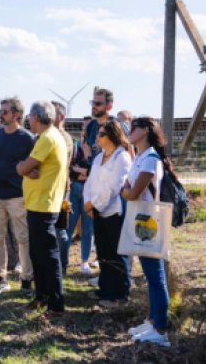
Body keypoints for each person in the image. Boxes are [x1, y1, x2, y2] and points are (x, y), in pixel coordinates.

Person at [120, 117, 172, 347]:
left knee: (155, 275)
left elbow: (132, 193)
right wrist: (127, 190)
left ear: (146, 131)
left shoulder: (150, 159)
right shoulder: (140, 157)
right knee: (151, 275)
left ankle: (161, 328)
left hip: (148, 220)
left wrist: (126, 191)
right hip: (140, 218)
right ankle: (152, 321)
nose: (130, 131)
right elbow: (128, 189)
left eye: (135, 128)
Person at [16, 101, 68, 317]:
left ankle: (56, 304)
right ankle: (42, 296)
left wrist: (24, 167)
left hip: (44, 205)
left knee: (48, 255)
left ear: (36, 117)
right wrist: (29, 169)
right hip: (38, 203)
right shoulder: (47, 136)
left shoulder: (47, 137)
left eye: (29, 116)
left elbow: (24, 167)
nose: (28, 120)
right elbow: (31, 168)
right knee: (38, 254)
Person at [0, 97, 35, 295]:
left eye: (5, 111)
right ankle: (0, 277)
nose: (1, 114)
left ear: (16, 114)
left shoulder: (27, 138)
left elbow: (33, 166)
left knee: (22, 238)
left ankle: (26, 278)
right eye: (0, 110)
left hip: (18, 195)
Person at [84, 120, 133, 306]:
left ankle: (119, 294)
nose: (97, 137)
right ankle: (105, 289)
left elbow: (114, 187)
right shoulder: (99, 157)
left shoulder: (122, 157)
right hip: (96, 211)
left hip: (113, 212)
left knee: (116, 253)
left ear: (112, 137)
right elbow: (90, 182)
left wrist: (95, 205)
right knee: (103, 251)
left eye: (101, 134)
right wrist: (88, 203)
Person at [55, 100, 93, 276]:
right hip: (75, 187)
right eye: (84, 126)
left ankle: (85, 261)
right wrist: (82, 171)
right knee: (68, 227)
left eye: (89, 126)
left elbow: (94, 171)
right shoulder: (76, 143)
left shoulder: (96, 148)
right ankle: (65, 261)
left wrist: (84, 168)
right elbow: (70, 167)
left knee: (87, 228)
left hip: (89, 190)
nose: (86, 129)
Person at [82, 88, 114, 168]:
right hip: (94, 173)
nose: (94, 106)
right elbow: (87, 152)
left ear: (109, 106)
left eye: (98, 104)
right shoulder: (91, 126)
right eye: (93, 103)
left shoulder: (116, 127)